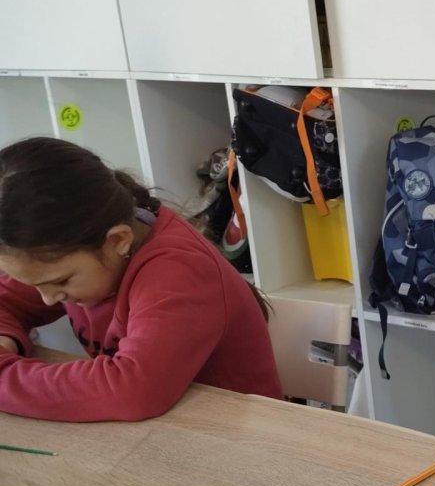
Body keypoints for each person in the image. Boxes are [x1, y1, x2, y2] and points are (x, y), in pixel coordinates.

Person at [0, 136, 282, 421]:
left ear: (118, 240)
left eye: (61, 282)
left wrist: (5, 378)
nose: (48, 298)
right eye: (32, 284)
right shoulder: (75, 252)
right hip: (164, 428)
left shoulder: (179, 271)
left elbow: (134, 390)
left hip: (241, 433)